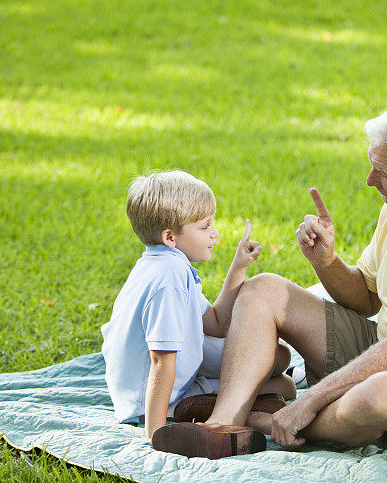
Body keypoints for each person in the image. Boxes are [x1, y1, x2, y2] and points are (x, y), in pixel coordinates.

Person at [153, 97, 387, 458]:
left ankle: (267, 421)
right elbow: (366, 298)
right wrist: (326, 261)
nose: (370, 180)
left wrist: (310, 400)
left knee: (380, 397)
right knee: (263, 288)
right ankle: (223, 428)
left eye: (383, 173)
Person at [100, 170, 296, 446]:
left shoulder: (165, 263)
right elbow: (161, 359)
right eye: (205, 226)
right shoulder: (169, 278)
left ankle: (231, 402)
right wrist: (156, 435)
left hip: (172, 368)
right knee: (284, 386)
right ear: (170, 237)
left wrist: (239, 265)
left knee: (280, 357)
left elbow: (215, 323)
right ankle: (205, 412)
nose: (215, 233)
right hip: (155, 396)